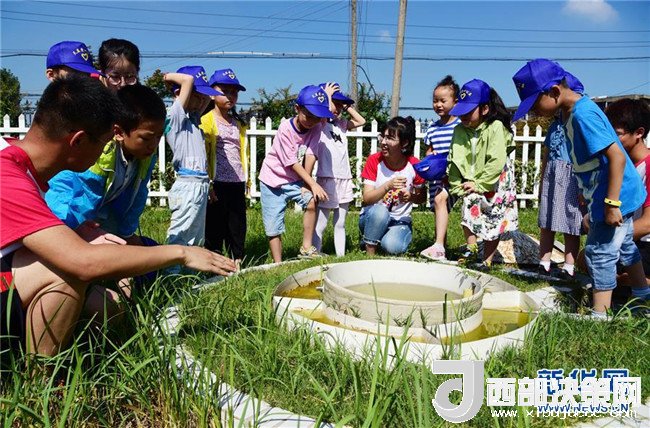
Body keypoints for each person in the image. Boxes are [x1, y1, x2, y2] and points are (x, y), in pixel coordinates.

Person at [0, 76, 235, 359]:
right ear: (78, 141)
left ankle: (78, 354)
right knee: (67, 272)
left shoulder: (19, 165)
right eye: (103, 142)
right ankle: (41, 381)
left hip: (12, 276)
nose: (105, 151)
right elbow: (82, 262)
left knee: (109, 308)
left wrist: (78, 234)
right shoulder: (8, 177)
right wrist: (182, 253)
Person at [512, 58, 649, 317]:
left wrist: (611, 204)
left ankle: (600, 315)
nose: (535, 112)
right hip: (611, 192)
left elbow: (617, 158)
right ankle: (643, 295)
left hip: (614, 195)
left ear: (554, 92)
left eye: (535, 104)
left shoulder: (583, 115)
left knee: (599, 252)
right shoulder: (569, 113)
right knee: (625, 245)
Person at [45, 85, 166, 311]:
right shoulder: (101, 154)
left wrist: (126, 234)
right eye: (147, 138)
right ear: (119, 132)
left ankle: (124, 290)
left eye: (159, 136)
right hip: (66, 210)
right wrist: (82, 237)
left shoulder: (144, 155)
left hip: (102, 211)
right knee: (84, 259)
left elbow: (138, 195)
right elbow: (83, 200)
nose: (154, 145)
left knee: (137, 256)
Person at [447, 79, 518, 266]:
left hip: (496, 180)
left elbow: (496, 159)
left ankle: (487, 260)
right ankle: (471, 249)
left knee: (494, 218)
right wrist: (456, 183)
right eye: (461, 111)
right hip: (473, 180)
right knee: (468, 208)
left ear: (485, 109)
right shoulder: (460, 130)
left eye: (468, 111)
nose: (463, 116)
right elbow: (455, 157)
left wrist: (481, 184)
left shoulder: (496, 127)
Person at [258, 85, 333, 263]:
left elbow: (311, 154)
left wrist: (307, 185)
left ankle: (306, 248)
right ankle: (278, 263)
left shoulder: (317, 126)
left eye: (317, 117)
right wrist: (312, 183)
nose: (312, 120)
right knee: (273, 225)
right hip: (272, 180)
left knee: (311, 200)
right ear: (297, 108)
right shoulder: (285, 129)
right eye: (308, 115)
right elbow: (291, 162)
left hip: (295, 179)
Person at [164, 66, 222, 254]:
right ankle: (172, 267)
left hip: (200, 182)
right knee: (181, 232)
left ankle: (190, 267)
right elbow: (187, 80)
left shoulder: (194, 119)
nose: (202, 101)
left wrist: (208, 186)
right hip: (187, 184)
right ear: (180, 93)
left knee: (196, 236)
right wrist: (167, 77)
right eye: (197, 96)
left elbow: (209, 97)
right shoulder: (175, 117)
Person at [305, 82, 366, 257]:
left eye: (340, 105)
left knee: (340, 223)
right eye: (335, 104)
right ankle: (316, 253)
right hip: (327, 178)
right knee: (321, 223)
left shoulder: (342, 124)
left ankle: (340, 257)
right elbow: (325, 112)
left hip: (344, 178)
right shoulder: (321, 124)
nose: (337, 108)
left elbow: (361, 121)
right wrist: (327, 97)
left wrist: (347, 106)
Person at [537, 73, 586, 278]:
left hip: (572, 177)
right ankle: (544, 261)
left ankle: (569, 265)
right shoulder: (554, 127)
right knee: (546, 220)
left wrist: (583, 187)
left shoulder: (579, 123)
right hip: (552, 175)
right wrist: (542, 180)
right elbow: (547, 153)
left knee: (571, 221)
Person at [200, 69, 249, 266]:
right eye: (225, 91)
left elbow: (242, 153)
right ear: (212, 94)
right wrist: (208, 183)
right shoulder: (206, 121)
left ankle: (237, 260)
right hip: (217, 181)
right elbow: (203, 155)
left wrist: (246, 179)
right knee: (215, 224)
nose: (230, 96)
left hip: (237, 181)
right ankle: (215, 262)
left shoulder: (239, 124)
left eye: (234, 92)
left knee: (237, 224)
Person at [359, 116, 426, 255]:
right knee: (380, 211)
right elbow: (367, 199)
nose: (383, 142)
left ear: (404, 143)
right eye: (382, 137)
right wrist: (387, 186)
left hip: (400, 221)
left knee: (392, 247)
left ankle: (374, 237)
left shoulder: (414, 165)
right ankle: (370, 250)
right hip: (373, 217)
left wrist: (411, 197)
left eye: (389, 138)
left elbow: (422, 198)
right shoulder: (374, 160)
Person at [605, 98, 650, 286]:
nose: (611, 140)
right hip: (630, 239)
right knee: (587, 258)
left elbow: (647, 224)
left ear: (639, 133)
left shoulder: (648, 166)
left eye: (617, 134)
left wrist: (609, 240)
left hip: (644, 243)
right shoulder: (623, 165)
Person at [419, 75, 461, 261]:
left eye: (443, 101)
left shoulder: (460, 126)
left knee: (441, 200)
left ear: (455, 102)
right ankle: (440, 245)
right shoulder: (432, 128)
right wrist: (430, 158)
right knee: (438, 207)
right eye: (435, 101)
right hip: (438, 176)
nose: (438, 105)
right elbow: (429, 152)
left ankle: (440, 246)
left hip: (456, 175)